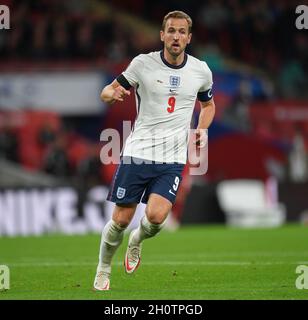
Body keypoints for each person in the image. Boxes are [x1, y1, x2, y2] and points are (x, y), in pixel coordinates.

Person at [93, 10, 216, 291]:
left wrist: (202, 128)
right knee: (120, 220)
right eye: (171, 30)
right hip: (138, 152)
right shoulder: (143, 64)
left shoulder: (200, 70)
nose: (176, 36)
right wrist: (111, 95)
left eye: (181, 32)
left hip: (172, 158)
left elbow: (208, 105)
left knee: (157, 218)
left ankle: (137, 241)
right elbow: (107, 91)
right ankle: (103, 269)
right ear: (162, 35)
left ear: (189, 38)